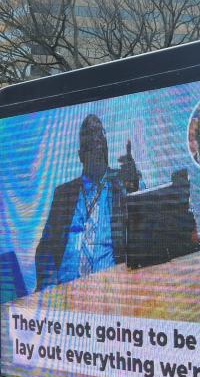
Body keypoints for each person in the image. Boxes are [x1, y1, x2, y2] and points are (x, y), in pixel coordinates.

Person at [34, 114, 140, 289]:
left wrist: (135, 187)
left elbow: (143, 233)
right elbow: (45, 248)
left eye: (102, 145)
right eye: (91, 146)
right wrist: (49, 295)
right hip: (65, 296)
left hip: (110, 291)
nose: (98, 151)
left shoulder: (122, 184)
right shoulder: (63, 194)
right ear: (80, 155)